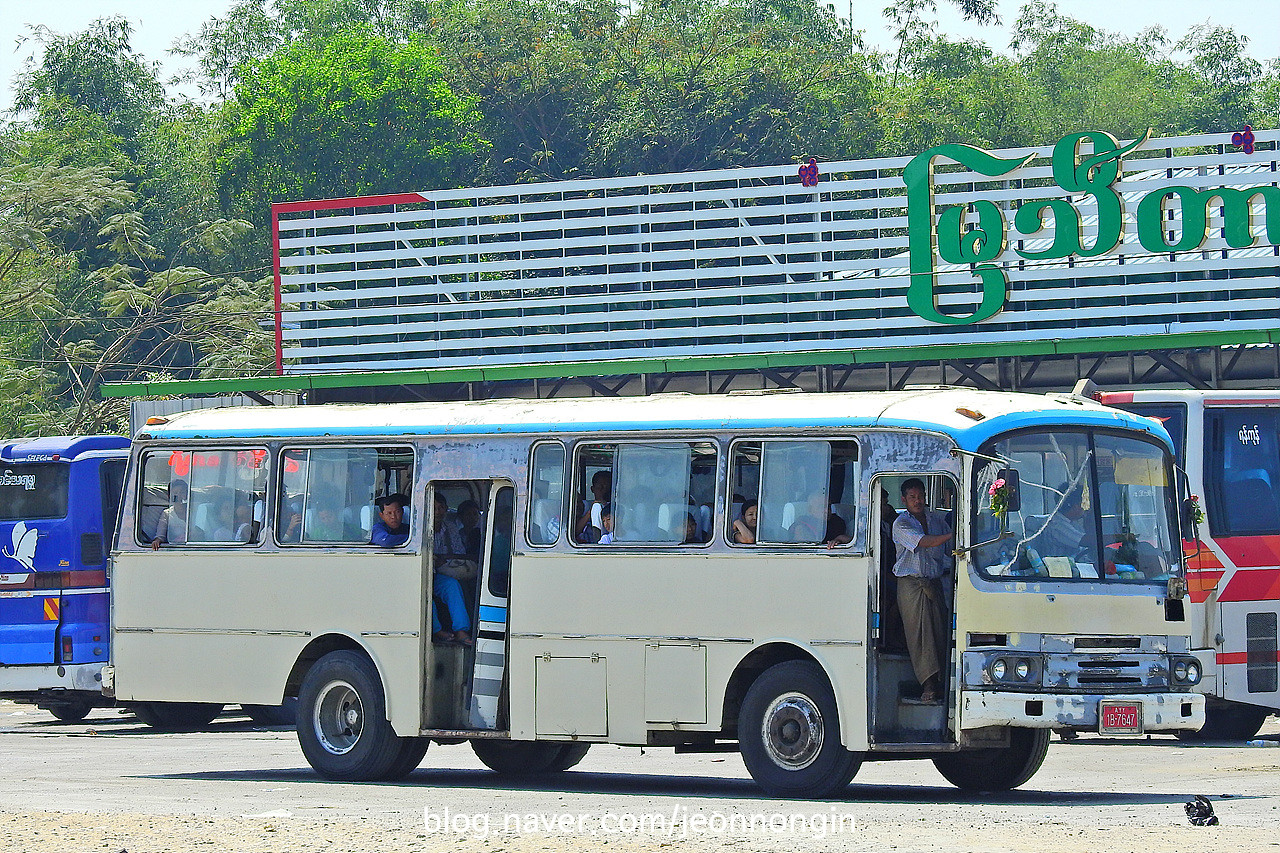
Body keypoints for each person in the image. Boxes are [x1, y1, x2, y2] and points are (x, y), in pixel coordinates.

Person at [892, 477, 954, 703]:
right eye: (912, 497)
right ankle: (927, 685)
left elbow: (951, 548)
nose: (917, 501)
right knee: (920, 636)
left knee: (939, 632)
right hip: (911, 585)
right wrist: (951, 535)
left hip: (934, 583)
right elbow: (925, 542)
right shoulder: (901, 523)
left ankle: (942, 683)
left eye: (920, 496)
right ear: (904, 499)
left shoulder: (936, 520)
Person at [429, 493, 472, 645]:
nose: (437, 512)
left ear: (446, 509)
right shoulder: (420, 527)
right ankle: (437, 631)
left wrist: (444, 558)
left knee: (452, 585)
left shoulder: (450, 528)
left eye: (441, 508)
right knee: (425, 594)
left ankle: (461, 630)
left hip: (442, 572)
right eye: (433, 508)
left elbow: (459, 551)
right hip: (424, 574)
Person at [1032, 484, 1090, 560]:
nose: (1087, 508)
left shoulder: (1073, 523)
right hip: (1060, 569)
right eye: (1085, 504)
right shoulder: (1055, 525)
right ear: (1076, 506)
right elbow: (1084, 541)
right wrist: (1110, 538)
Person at [576, 470, 612, 543]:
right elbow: (576, 531)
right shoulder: (583, 507)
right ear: (592, 489)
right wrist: (591, 511)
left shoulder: (616, 508)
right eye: (601, 487)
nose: (604, 490)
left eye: (607, 487)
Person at [151, 480, 189, 549]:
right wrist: (157, 541)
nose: (179, 496)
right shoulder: (167, 514)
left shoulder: (195, 511)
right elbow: (160, 535)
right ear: (169, 496)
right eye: (175, 493)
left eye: (182, 492)